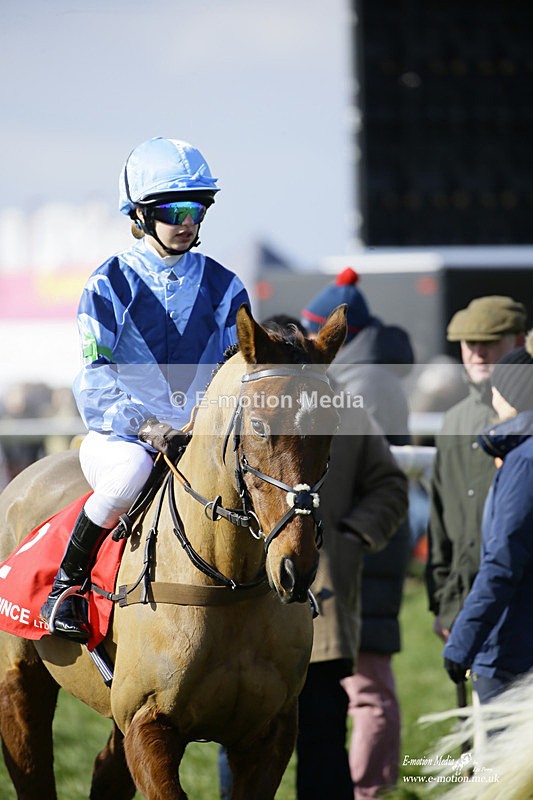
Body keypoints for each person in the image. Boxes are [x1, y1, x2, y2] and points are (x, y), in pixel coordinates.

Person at [40, 136, 249, 643]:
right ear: (140, 215)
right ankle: (65, 588)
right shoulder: (107, 284)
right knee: (129, 473)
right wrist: (148, 425)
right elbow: (92, 379)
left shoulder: (228, 287)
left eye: (196, 209)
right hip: (126, 437)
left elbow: (238, 372)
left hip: (201, 437)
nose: (186, 221)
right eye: (172, 210)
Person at [301, 267, 413, 798]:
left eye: (318, 332)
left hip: (345, 571)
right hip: (337, 566)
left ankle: (369, 789)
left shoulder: (354, 393)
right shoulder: (341, 386)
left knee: (356, 697)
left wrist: (350, 536)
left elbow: (381, 481)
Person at [425, 296, 527, 644]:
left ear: (518, 342)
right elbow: (439, 520)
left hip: (520, 603)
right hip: (464, 605)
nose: (478, 353)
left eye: (489, 342)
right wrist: (443, 601)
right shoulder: (454, 420)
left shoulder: (524, 414)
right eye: (471, 343)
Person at [443, 331, 533, 704]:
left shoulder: (524, 462)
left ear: (510, 393)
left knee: (499, 764)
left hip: (511, 651)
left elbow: (503, 562)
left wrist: (463, 641)